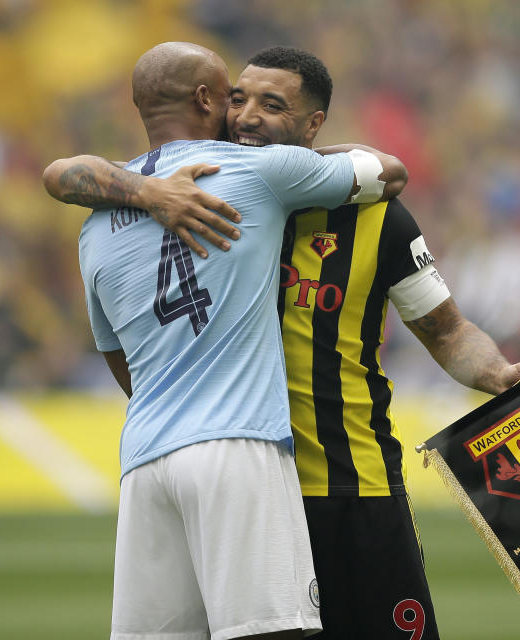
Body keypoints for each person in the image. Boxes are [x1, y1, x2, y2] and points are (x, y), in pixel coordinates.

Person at [52, 45, 520, 639]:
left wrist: (497, 373)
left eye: (272, 106)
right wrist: (148, 193)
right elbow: (65, 176)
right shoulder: (206, 197)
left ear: (313, 125)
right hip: (251, 484)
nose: (246, 117)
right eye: (238, 99)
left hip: (353, 484)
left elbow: (447, 331)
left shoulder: (377, 219)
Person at [44, 42, 403, 640]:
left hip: (147, 461)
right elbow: (389, 172)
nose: (241, 115)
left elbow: (118, 359)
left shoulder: (95, 222)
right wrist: (302, 152)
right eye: (233, 97)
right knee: (274, 632)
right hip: (238, 446)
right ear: (208, 99)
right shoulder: (257, 172)